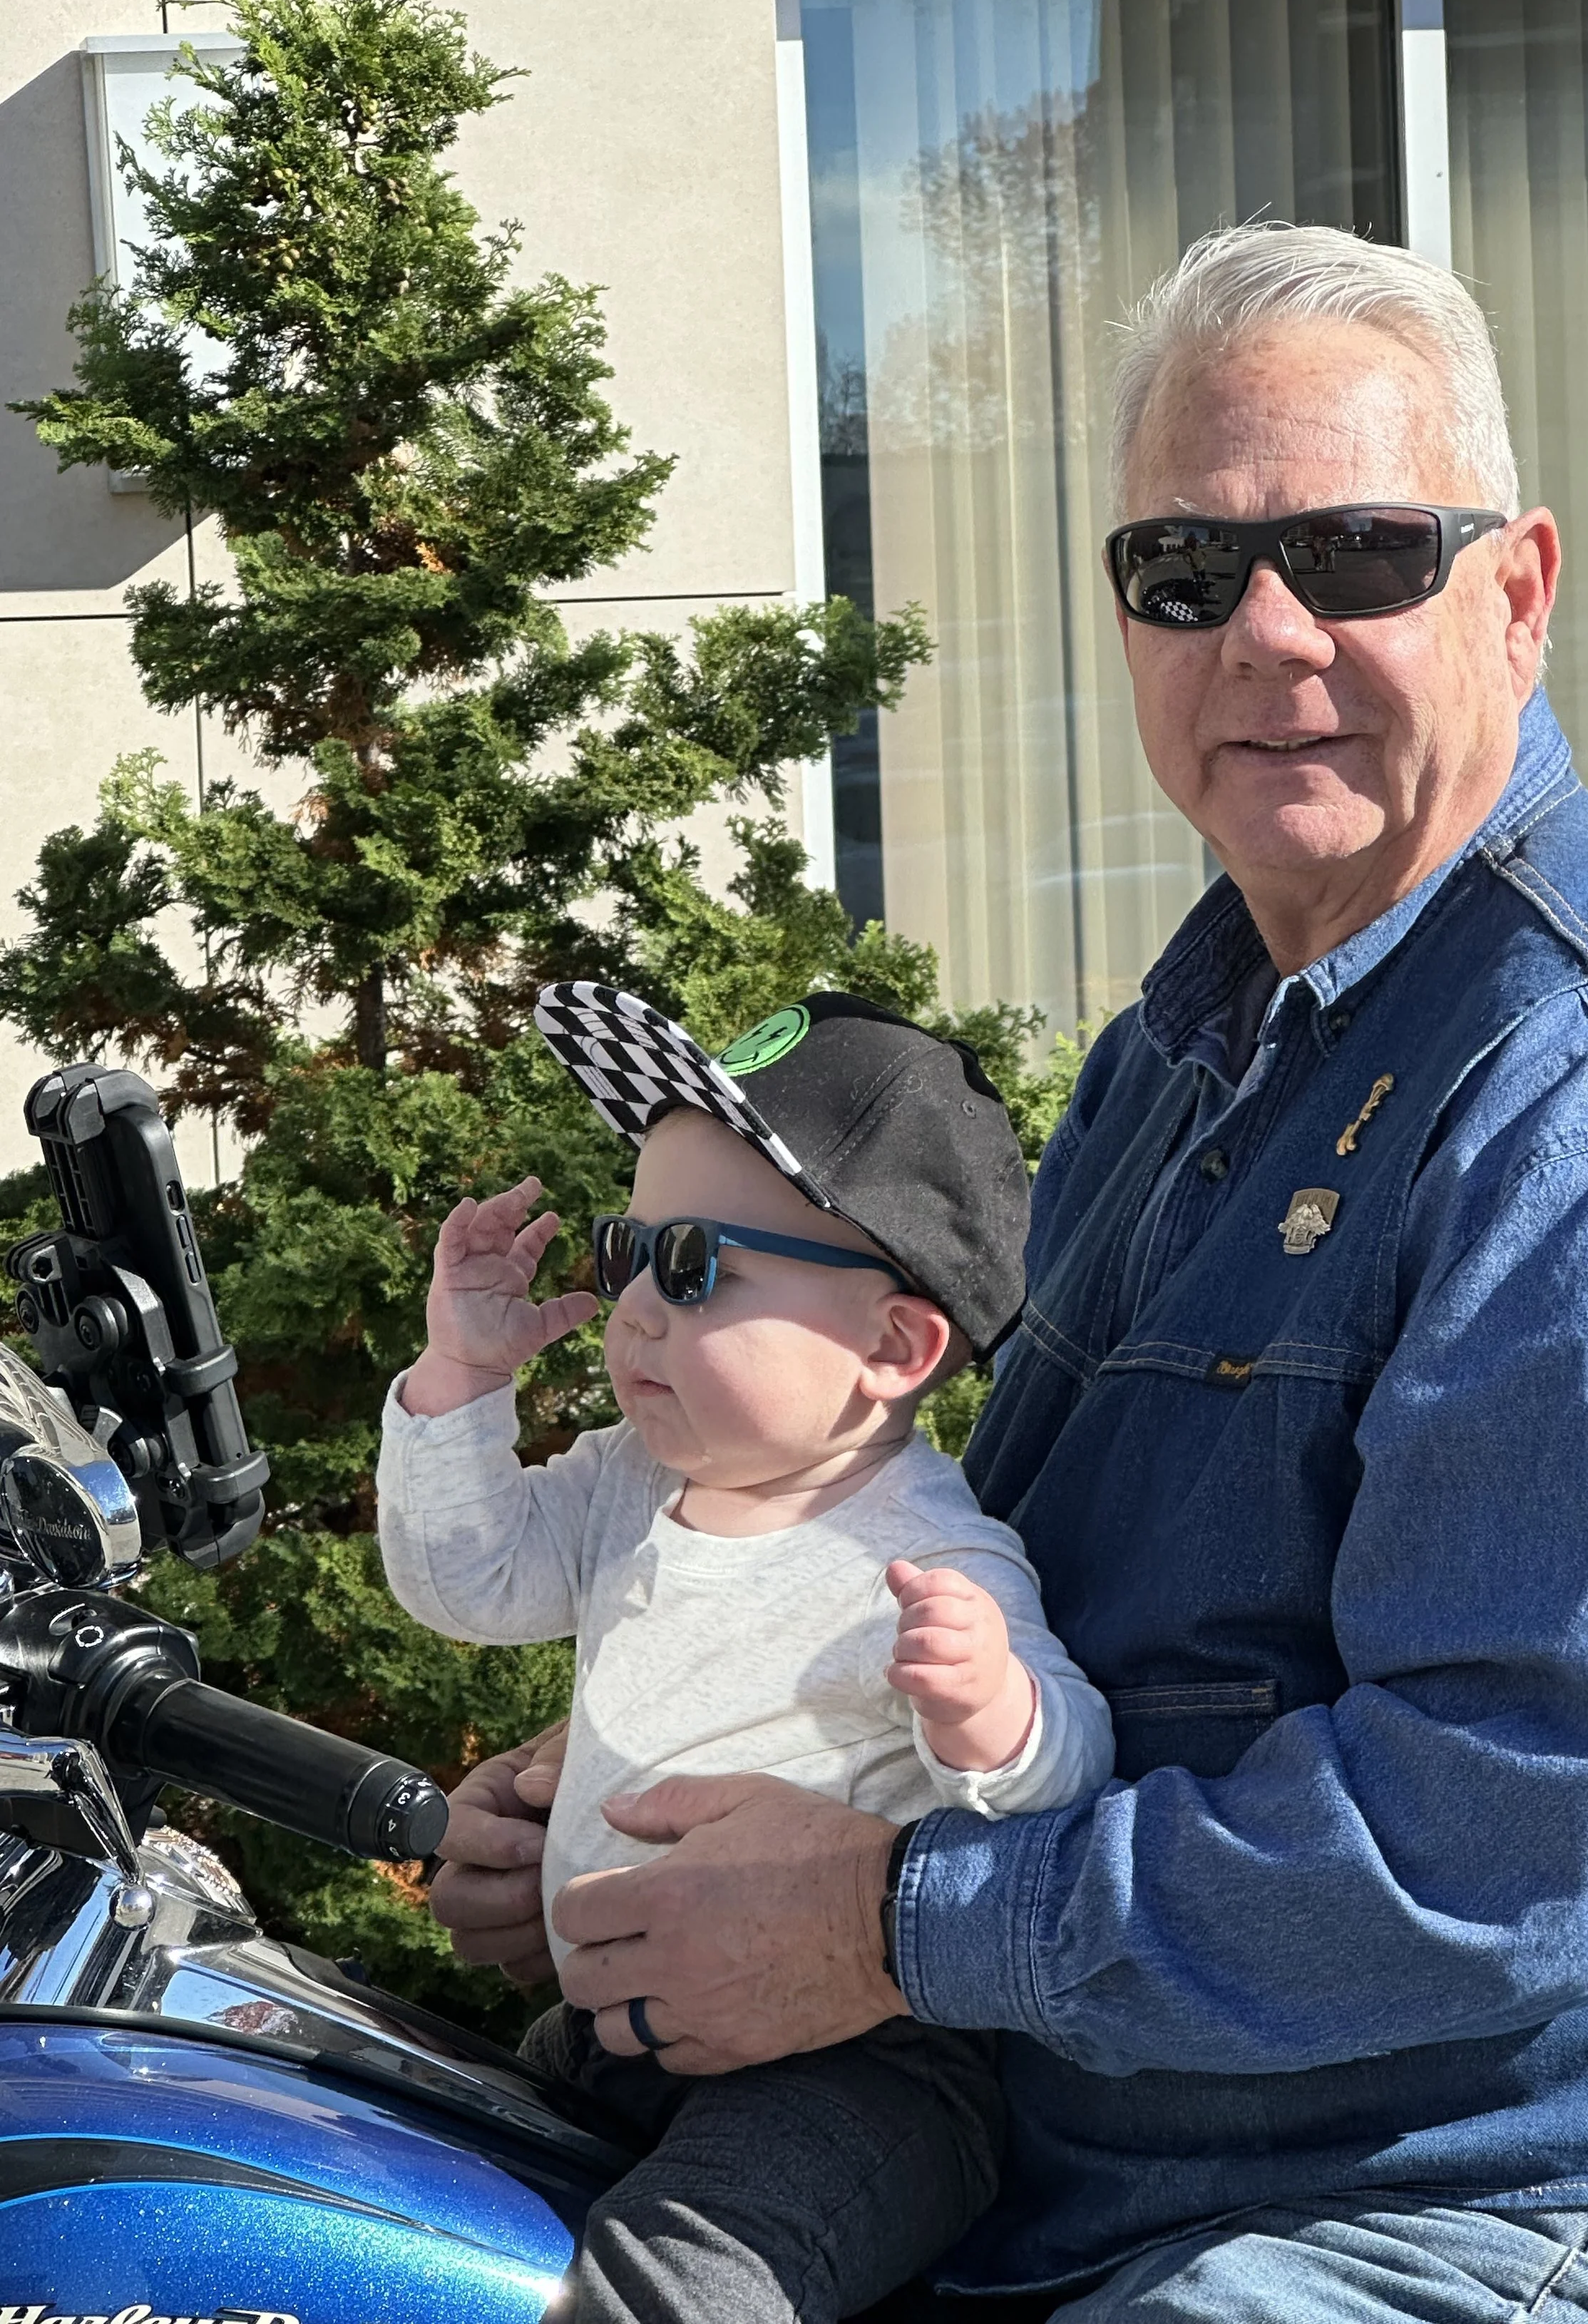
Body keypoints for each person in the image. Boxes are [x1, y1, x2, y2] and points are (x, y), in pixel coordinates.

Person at [430, 222, 1588, 2323]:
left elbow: (1514, 1839)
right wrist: (672, 1803)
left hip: (1481, 2200)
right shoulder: (1205, 1033)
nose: (1264, 632)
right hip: (1109, 2136)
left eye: (1352, 552)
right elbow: (1030, 1595)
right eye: (1183, 570)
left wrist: (886, 1920)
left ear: (1513, 589)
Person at [377, 983, 1114, 2323]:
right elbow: (464, 1583)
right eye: (628, 1250)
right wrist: (461, 1382)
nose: (636, 1313)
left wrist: (993, 1715)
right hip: (613, 2033)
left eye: (697, 1267)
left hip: (857, 2071)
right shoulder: (624, 1483)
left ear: (893, 1347)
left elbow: (1062, 1785)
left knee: (677, 2283)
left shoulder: (925, 1558)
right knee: (421, 2189)